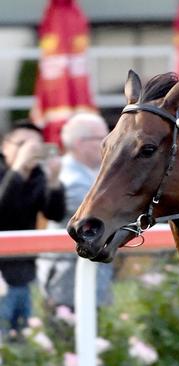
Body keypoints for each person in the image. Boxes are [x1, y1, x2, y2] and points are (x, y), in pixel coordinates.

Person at [37, 113, 113, 313]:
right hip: (67, 286)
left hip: (91, 281)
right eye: (102, 138)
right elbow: (104, 214)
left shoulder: (94, 173)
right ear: (80, 143)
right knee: (65, 343)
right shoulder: (67, 178)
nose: (109, 142)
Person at [0, 121, 65, 336]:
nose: (28, 151)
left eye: (34, 146)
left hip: (25, 274)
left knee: (27, 341)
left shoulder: (39, 176)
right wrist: (19, 168)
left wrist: (54, 180)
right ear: (4, 146)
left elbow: (54, 213)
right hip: (2, 275)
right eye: (21, 144)